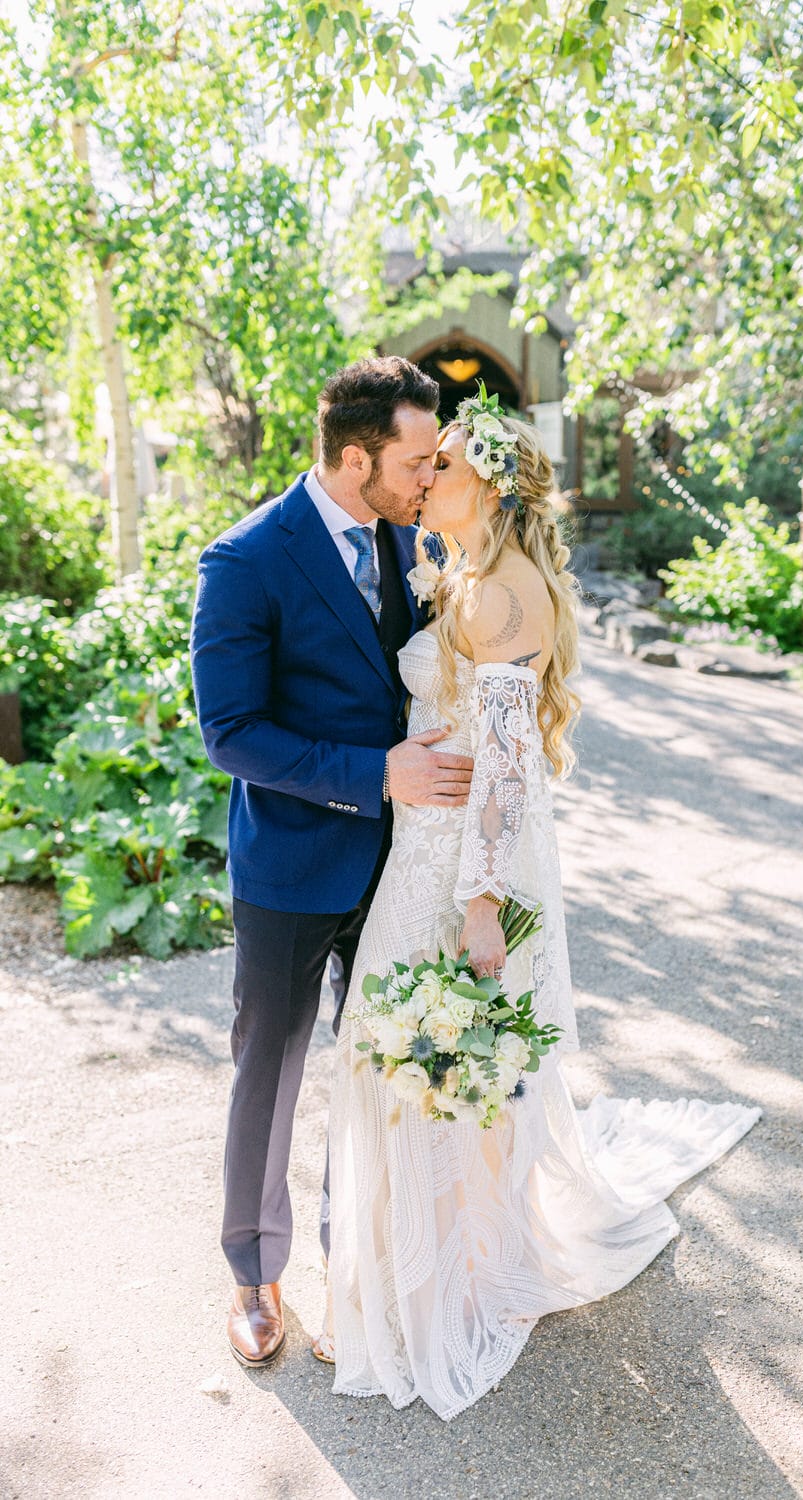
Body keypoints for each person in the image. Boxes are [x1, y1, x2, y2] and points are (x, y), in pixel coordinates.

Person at [313, 389, 761, 1420]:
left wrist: (477, 906)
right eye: (427, 467)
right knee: (423, 1057)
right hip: (433, 841)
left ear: (491, 491)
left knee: (423, 1054)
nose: (426, 478)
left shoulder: (494, 593)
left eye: (448, 470)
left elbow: (507, 769)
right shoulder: (467, 572)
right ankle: (439, 1252)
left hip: (462, 860)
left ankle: (454, 1271)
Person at [190, 356, 475, 1369]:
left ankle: (352, 1257)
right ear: (354, 459)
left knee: (389, 1065)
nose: (428, 473)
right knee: (269, 1068)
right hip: (292, 865)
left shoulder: (411, 533)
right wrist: (374, 775)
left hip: (403, 868)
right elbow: (230, 734)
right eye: (413, 458)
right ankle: (254, 1275)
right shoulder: (245, 562)